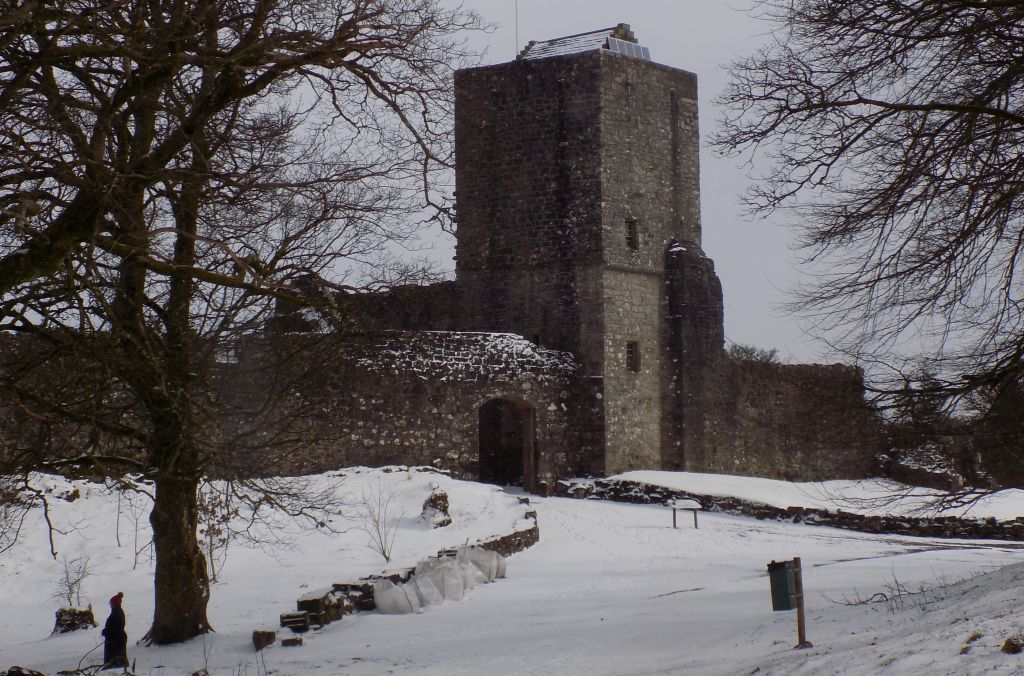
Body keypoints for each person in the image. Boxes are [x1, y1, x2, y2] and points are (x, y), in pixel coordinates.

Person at [101, 592, 128, 670]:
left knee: (116, 657)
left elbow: (114, 627)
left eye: (111, 603)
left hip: (116, 639)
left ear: (115, 603)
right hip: (116, 638)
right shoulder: (116, 611)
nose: (110, 604)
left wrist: (106, 632)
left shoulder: (117, 612)